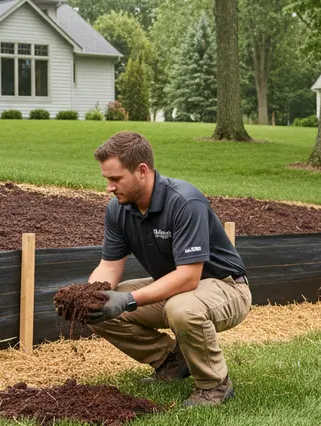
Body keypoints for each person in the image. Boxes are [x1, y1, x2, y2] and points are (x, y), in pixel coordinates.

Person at [81, 131, 251, 407]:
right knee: (99, 306)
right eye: (107, 180)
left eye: (115, 179)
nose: (109, 188)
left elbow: (189, 276)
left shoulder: (184, 202)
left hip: (226, 287)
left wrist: (128, 300)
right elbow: (109, 266)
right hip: (177, 289)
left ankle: (214, 385)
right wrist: (86, 297)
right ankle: (172, 361)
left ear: (142, 171)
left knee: (182, 309)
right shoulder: (118, 210)